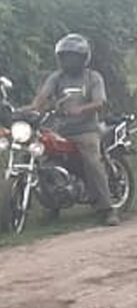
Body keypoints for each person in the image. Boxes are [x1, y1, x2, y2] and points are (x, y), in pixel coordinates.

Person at [29, 33, 116, 225]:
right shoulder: (56, 77)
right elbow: (43, 97)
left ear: (83, 58)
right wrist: (31, 109)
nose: (67, 61)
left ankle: (107, 209)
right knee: (43, 160)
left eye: (72, 57)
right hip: (61, 130)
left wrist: (81, 109)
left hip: (87, 130)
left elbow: (100, 102)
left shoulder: (92, 77)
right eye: (64, 57)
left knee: (93, 163)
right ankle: (52, 206)